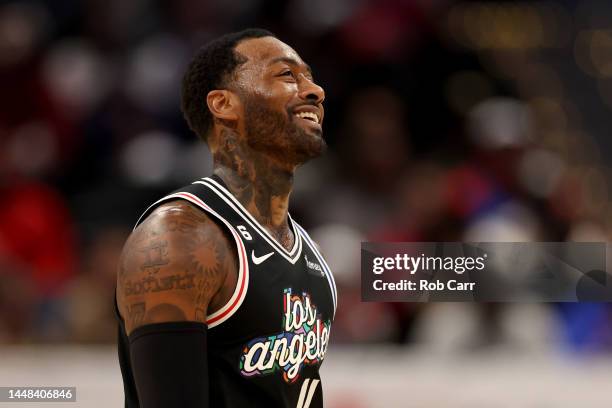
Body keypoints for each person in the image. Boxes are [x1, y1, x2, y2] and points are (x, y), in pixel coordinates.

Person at [115, 28, 337, 408]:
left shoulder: (310, 252)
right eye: (287, 75)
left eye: (310, 77)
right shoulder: (180, 237)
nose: (314, 91)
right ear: (223, 104)